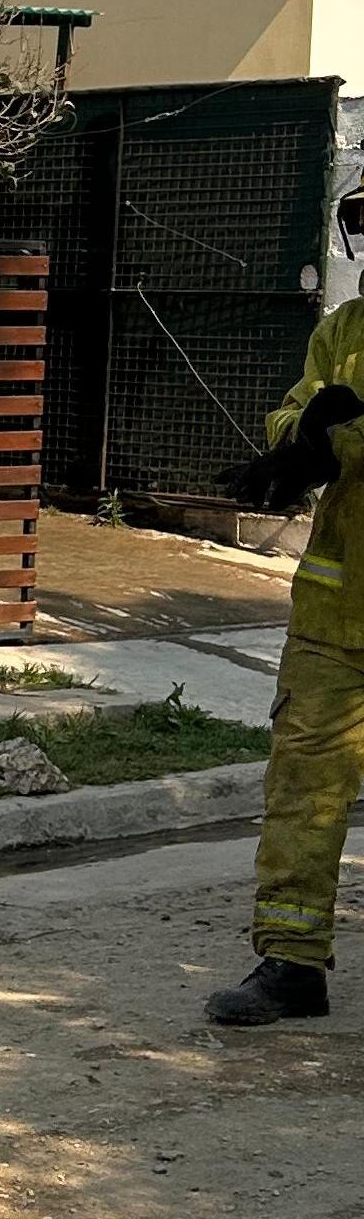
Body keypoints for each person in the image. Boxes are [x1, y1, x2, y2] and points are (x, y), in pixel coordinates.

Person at [216, 284, 364, 1023]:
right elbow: (295, 403)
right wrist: (300, 439)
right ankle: (290, 961)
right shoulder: (343, 328)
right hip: (335, 617)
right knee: (302, 789)